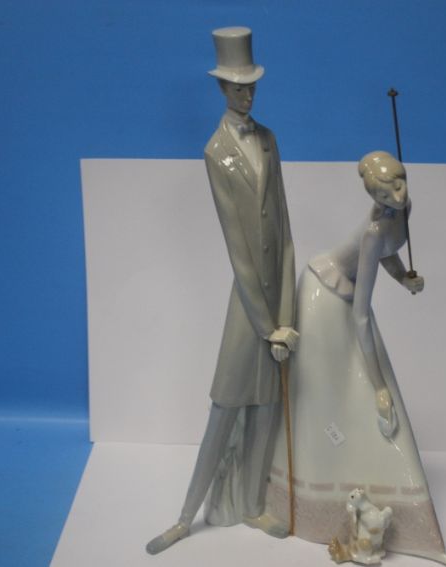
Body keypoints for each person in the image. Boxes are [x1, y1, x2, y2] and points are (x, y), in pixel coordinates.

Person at [146, 27, 298, 555]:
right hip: (249, 308)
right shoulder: (216, 152)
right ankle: (185, 517)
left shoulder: (270, 140)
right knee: (225, 407)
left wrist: (288, 315)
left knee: (267, 409)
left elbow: (285, 231)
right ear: (221, 89)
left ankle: (252, 504)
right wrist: (267, 326)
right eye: (237, 88)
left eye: (251, 86)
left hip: (277, 306)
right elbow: (239, 251)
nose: (247, 95)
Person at [268, 151, 446, 566]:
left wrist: (403, 277)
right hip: (324, 294)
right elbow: (361, 315)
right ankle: (314, 498)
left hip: (345, 290)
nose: (397, 195)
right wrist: (379, 386)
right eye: (385, 193)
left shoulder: (402, 208)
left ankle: (411, 527)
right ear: (374, 197)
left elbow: (388, 253)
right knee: (333, 393)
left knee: (348, 386)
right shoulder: (374, 230)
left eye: (399, 184)